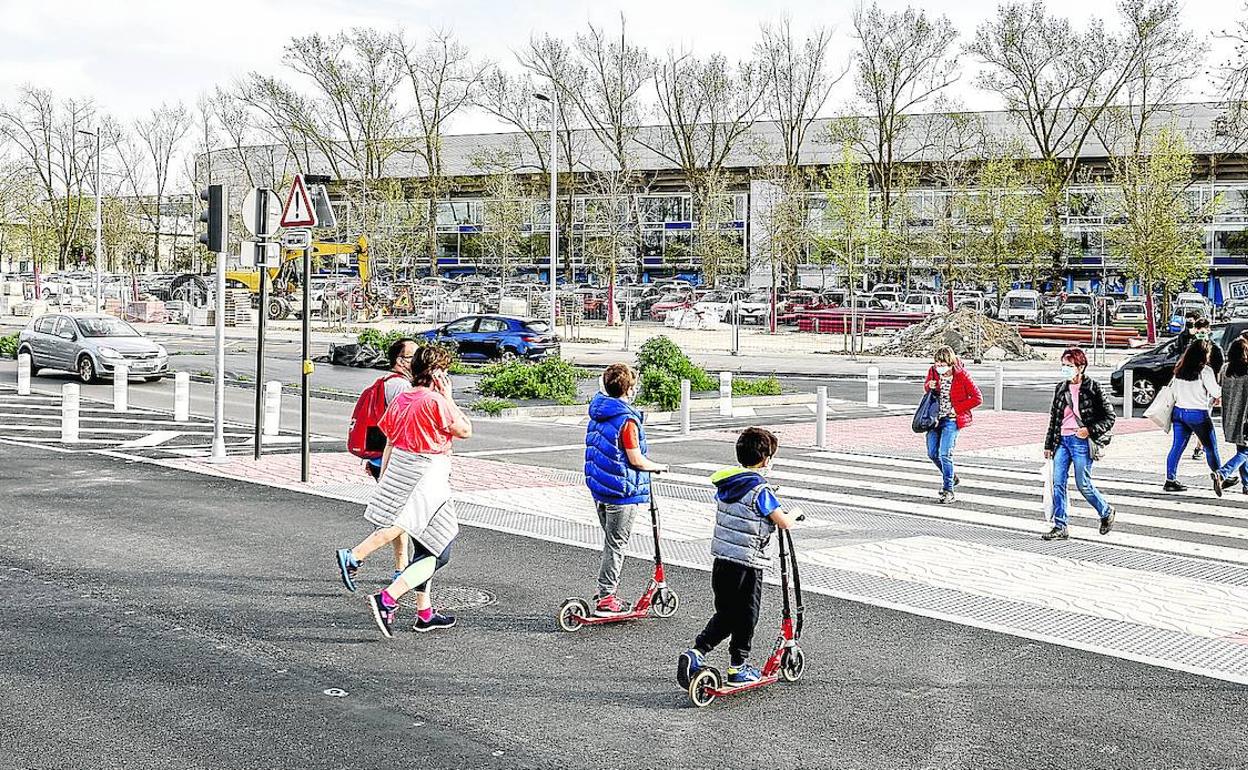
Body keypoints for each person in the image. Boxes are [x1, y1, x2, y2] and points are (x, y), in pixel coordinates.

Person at [335, 346, 473, 637]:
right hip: (430, 480)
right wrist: (449, 397)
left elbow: (389, 441)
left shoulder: (402, 398)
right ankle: (387, 598)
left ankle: (424, 613)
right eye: (445, 370)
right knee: (439, 551)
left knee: (426, 546)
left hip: (402, 472)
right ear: (437, 373)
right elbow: (464, 430)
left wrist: (385, 477)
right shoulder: (436, 401)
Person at [676, 427, 803, 688]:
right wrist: (795, 513)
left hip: (723, 560)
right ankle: (738, 667)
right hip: (747, 563)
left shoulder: (728, 484)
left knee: (726, 613)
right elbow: (782, 522)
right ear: (766, 459)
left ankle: (697, 652)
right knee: (747, 615)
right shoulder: (760, 490)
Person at [583, 363, 668, 616]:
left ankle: (606, 592)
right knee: (616, 545)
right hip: (622, 493)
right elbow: (636, 459)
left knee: (611, 542)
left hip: (601, 489)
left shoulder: (599, 412)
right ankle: (607, 597)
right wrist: (658, 467)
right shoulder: (626, 420)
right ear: (628, 389)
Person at [1041, 348, 1117, 541]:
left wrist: (1089, 430)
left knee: (1083, 484)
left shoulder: (1093, 387)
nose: (1065, 369)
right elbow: (1054, 418)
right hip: (1061, 441)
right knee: (1058, 483)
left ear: (1080, 367)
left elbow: (1110, 417)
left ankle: (1105, 511)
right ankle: (1060, 526)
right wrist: (1048, 444)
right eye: (1063, 365)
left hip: (1081, 441)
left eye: (1069, 365)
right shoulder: (1061, 388)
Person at [923, 346, 983, 504]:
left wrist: (957, 410)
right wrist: (929, 385)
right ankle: (951, 476)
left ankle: (948, 489)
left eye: (942, 364)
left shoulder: (961, 375)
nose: (939, 367)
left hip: (951, 420)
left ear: (950, 363)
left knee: (945, 454)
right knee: (932, 453)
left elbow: (977, 398)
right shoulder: (933, 372)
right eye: (937, 364)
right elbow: (927, 387)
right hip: (934, 419)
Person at [1164, 341, 1223, 494]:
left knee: (1177, 447)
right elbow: (1216, 392)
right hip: (1198, 413)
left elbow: (1174, 391)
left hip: (1179, 412)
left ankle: (1170, 480)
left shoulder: (1179, 369)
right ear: (1204, 354)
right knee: (1210, 447)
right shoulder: (1205, 371)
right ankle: (1220, 475)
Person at [1215, 338, 1248, 494]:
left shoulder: (1225, 369)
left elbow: (1220, 385)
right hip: (1246, 417)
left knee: (1242, 449)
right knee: (1245, 451)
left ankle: (1246, 484)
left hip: (1231, 416)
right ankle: (1223, 473)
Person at [1189, 318, 1222, 461]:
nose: (1201, 331)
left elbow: (1218, 371)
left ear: (1208, 330)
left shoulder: (1215, 349)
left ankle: (1199, 446)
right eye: (1198, 329)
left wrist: (1216, 393)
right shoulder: (1191, 346)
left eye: (1204, 329)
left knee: (1204, 419)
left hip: (1207, 390)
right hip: (1190, 387)